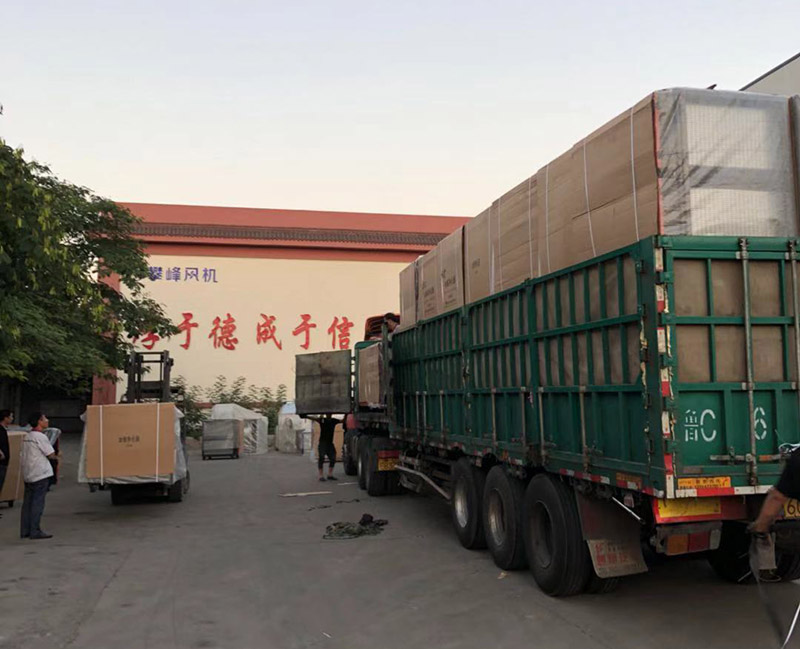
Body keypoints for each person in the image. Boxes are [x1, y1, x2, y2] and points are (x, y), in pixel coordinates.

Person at [20, 412, 57, 540]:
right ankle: (35, 530)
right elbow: (51, 454)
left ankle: (25, 530)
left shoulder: (27, 436)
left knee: (27, 504)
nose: (47, 420)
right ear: (39, 422)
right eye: (44, 419)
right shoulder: (41, 437)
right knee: (37, 503)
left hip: (28, 473)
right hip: (40, 473)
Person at [312, 414, 340, 482]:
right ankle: (320, 475)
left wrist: (346, 415)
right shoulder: (322, 420)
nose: (328, 414)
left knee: (333, 458)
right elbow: (314, 419)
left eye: (329, 413)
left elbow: (342, 421)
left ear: (331, 414)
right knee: (321, 457)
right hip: (322, 442)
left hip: (330, 443)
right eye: (327, 413)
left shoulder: (333, 420)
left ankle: (330, 475)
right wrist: (305, 416)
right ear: (326, 414)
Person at [0, 409, 12, 520]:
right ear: (5, 418)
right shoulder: (0, 430)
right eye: (10, 416)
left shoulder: (3, 430)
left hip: (4, 463)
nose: (12, 419)